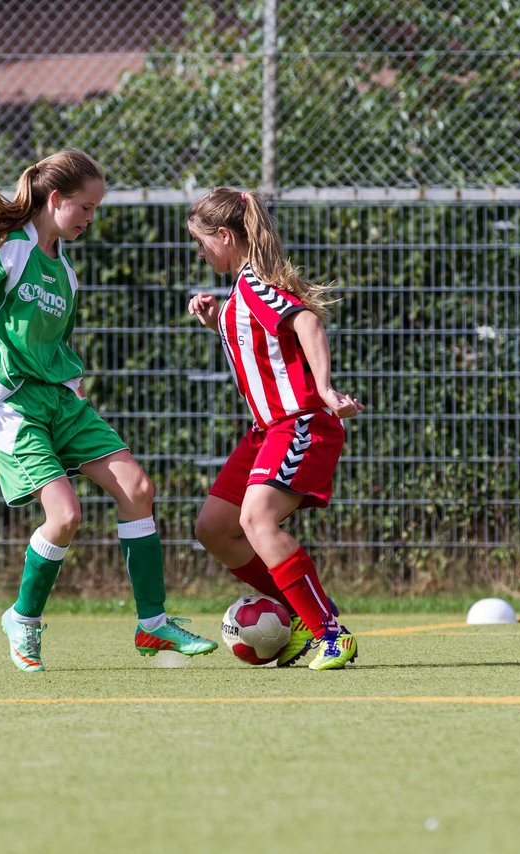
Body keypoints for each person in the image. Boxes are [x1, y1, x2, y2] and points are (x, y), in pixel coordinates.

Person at [0, 149, 217, 672]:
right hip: (11, 404)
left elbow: (56, 344)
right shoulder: (9, 253)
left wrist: (75, 392)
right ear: (56, 199)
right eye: (85, 207)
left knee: (138, 490)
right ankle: (23, 619)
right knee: (65, 516)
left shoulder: (64, 271)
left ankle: (153, 626)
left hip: (61, 400)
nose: (90, 218)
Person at [185, 187, 364, 670]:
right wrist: (213, 319)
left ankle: (328, 630)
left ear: (225, 235)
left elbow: (305, 321)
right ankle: (301, 613)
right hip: (265, 430)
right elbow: (257, 340)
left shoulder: (255, 285)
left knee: (256, 521)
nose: (200, 253)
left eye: (202, 243)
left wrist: (325, 390)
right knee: (214, 529)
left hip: (300, 423)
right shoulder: (239, 294)